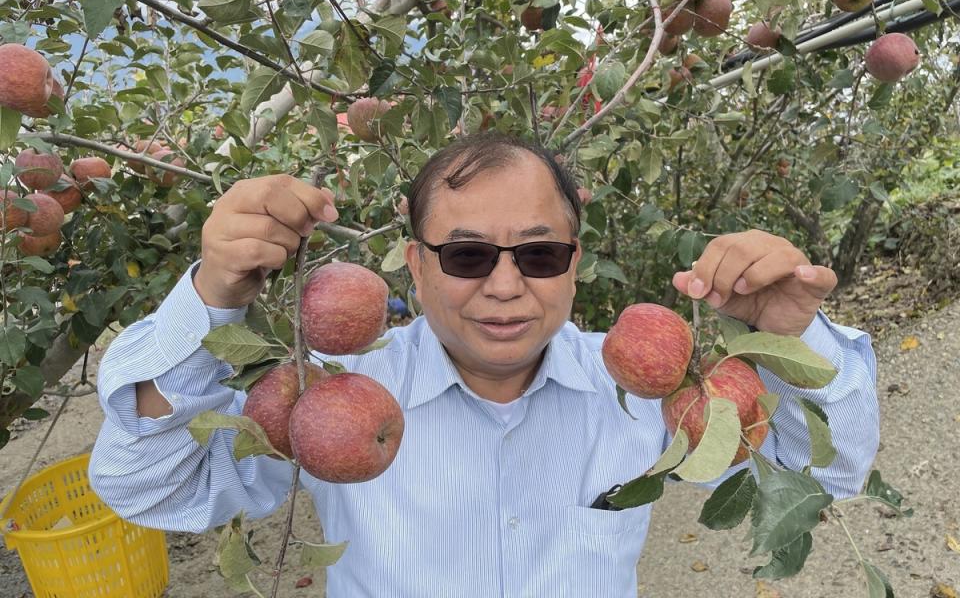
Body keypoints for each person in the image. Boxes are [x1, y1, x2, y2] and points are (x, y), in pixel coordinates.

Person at [90, 132, 879, 597]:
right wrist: (212, 301)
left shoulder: (646, 393)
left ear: (575, 261)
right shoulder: (328, 396)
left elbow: (825, 478)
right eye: (467, 254)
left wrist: (794, 345)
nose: (506, 285)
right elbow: (146, 487)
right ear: (415, 264)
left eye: (539, 253)